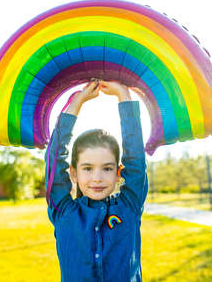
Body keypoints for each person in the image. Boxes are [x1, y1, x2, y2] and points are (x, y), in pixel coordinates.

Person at [45, 80, 148, 282]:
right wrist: (77, 103)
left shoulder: (129, 206)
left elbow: (136, 161)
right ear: (73, 173)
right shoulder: (64, 213)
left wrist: (123, 97)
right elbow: (53, 162)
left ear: (119, 173)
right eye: (88, 168)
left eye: (107, 168)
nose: (97, 178)